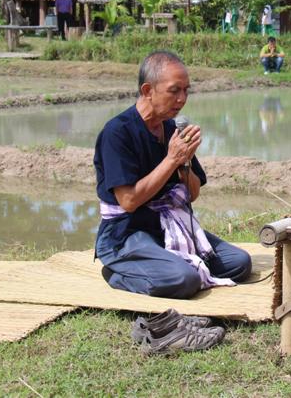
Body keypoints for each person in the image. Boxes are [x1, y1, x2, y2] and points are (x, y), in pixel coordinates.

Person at [93, 50, 252, 299]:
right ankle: (118, 272)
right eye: (174, 91)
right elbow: (129, 201)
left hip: (168, 226)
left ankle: (163, 262)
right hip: (127, 233)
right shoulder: (117, 132)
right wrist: (171, 159)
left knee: (239, 263)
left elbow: (193, 194)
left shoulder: (172, 128)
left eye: (186, 91)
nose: (182, 99)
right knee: (184, 279)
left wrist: (184, 161)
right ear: (148, 90)